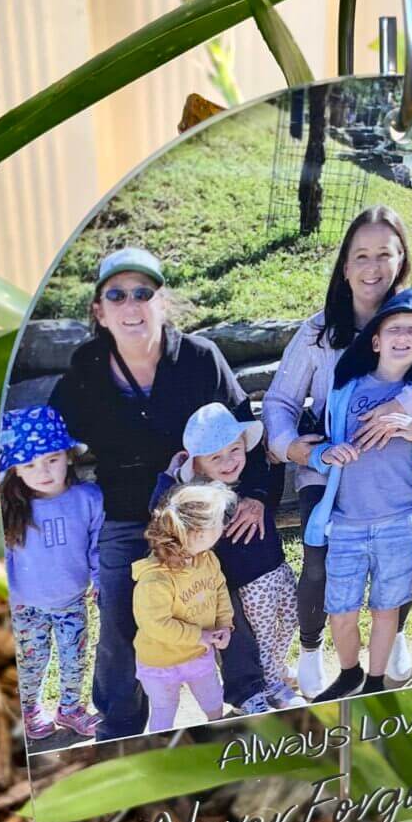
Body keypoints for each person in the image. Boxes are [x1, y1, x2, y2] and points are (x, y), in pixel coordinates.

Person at [50, 246, 269, 740]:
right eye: (118, 294)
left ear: (162, 303)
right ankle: (122, 722)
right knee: (119, 607)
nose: (133, 305)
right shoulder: (86, 368)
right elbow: (53, 434)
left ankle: (247, 692)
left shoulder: (197, 359)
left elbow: (242, 424)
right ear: (100, 311)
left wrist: (253, 493)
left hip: (194, 505)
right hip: (126, 510)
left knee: (218, 587)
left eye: (144, 293)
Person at [263, 207, 412, 697]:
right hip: (330, 466)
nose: (372, 267)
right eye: (361, 256)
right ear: (345, 266)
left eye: (384, 255)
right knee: (319, 561)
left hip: (395, 468)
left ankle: (389, 636)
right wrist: (290, 446)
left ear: (401, 261)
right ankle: (313, 647)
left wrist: (401, 405)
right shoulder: (317, 332)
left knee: (408, 555)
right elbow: (280, 400)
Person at [302, 288, 412, 700]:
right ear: (375, 340)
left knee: (386, 608)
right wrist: (324, 454)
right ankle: (349, 673)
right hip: (347, 522)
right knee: (341, 612)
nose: (403, 336)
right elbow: (319, 446)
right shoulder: (344, 389)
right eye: (393, 328)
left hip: (400, 523)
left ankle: (375, 683)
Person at [150, 403, 306, 710]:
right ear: (197, 465)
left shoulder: (250, 480)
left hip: (277, 568)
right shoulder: (199, 495)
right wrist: (168, 477)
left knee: (288, 622)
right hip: (247, 583)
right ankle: (270, 685)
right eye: (215, 457)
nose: (228, 461)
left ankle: (276, 671)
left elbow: (270, 483)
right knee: (260, 636)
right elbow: (161, 510)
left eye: (234, 450)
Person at [0, 405, 103, 740]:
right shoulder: (12, 510)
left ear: (69, 456)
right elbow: (6, 558)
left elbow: (97, 546)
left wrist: (99, 581)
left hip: (72, 600)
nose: (43, 471)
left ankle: (71, 710)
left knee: (75, 661)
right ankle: (28, 711)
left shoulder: (88, 498)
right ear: (15, 470)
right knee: (30, 664)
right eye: (29, 464)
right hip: (25, 607)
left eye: (52, 460)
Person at [132, 483, 236, 732]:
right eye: (219, 521)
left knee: (213, 704)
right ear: (199, 532)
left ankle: (218, 740)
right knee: (164, 712)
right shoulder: (155, 579)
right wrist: (199, 636)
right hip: (160, 662)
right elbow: (156, 625)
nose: (224, 525)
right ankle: (161, 758)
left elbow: (219, 589)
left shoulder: (207, 559)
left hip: (199, 654)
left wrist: (225, 625)